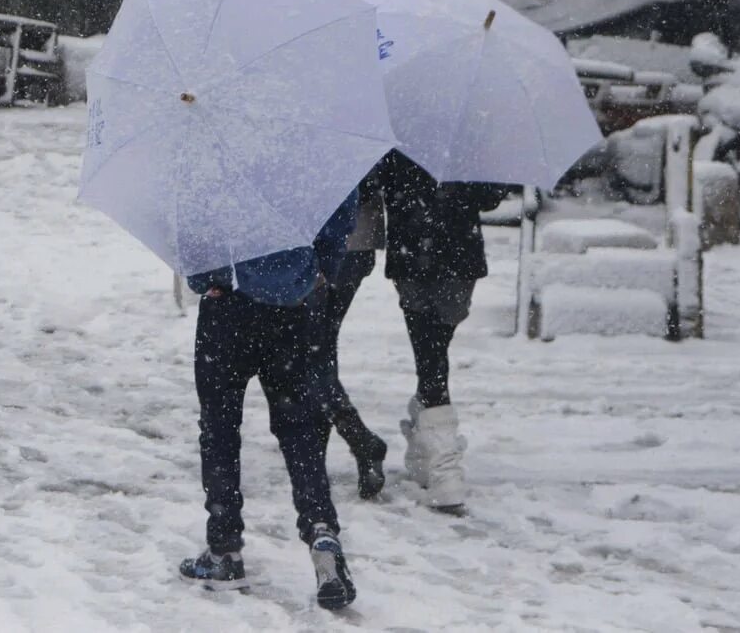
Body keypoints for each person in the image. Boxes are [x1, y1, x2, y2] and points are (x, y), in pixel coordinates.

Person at [180, 191, 359, 612]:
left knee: (220, 429)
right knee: (301, 431)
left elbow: (193, 238)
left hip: (227, 308)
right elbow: (339, 213)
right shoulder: (310, 151)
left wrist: (208, 278)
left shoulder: (215, 158)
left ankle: (224, 550)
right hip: (294, 308)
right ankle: (321, 532)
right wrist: (317, 272)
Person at [376, 148, 513, 513]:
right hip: (411, 257)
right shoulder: (396, 141)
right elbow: (376, 184)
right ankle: (443, 468)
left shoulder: (471, 139)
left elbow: (492, 196)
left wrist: (457, 185)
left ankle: (427, 428)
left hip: (457, 256)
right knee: (431, 354)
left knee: (434, 350)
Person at [312, 169, 389, 499]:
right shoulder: (360, 122)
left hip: (335, 243)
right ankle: (318, 452)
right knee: (317, 347)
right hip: (350, 240)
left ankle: (358, 440)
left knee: (311, 350)